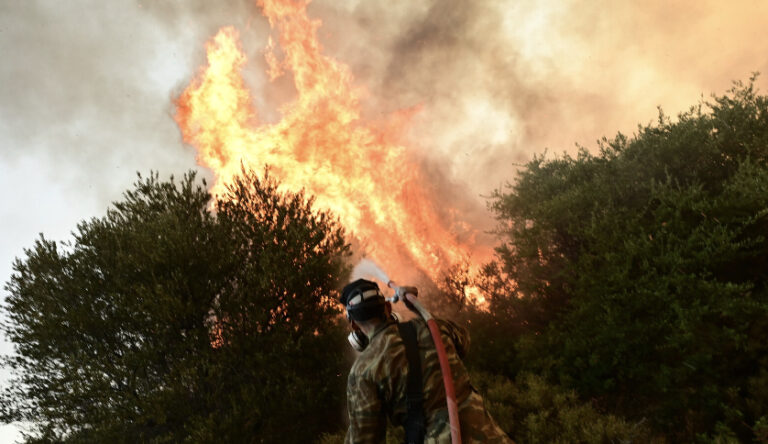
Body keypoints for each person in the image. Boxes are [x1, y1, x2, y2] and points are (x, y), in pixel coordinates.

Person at [341, 278, 513, 444]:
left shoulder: (363, 371)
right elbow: (463, 342)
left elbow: (364, 439)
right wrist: (419, 311)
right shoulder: (434, 328)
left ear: (353, 324)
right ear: (387, 307)